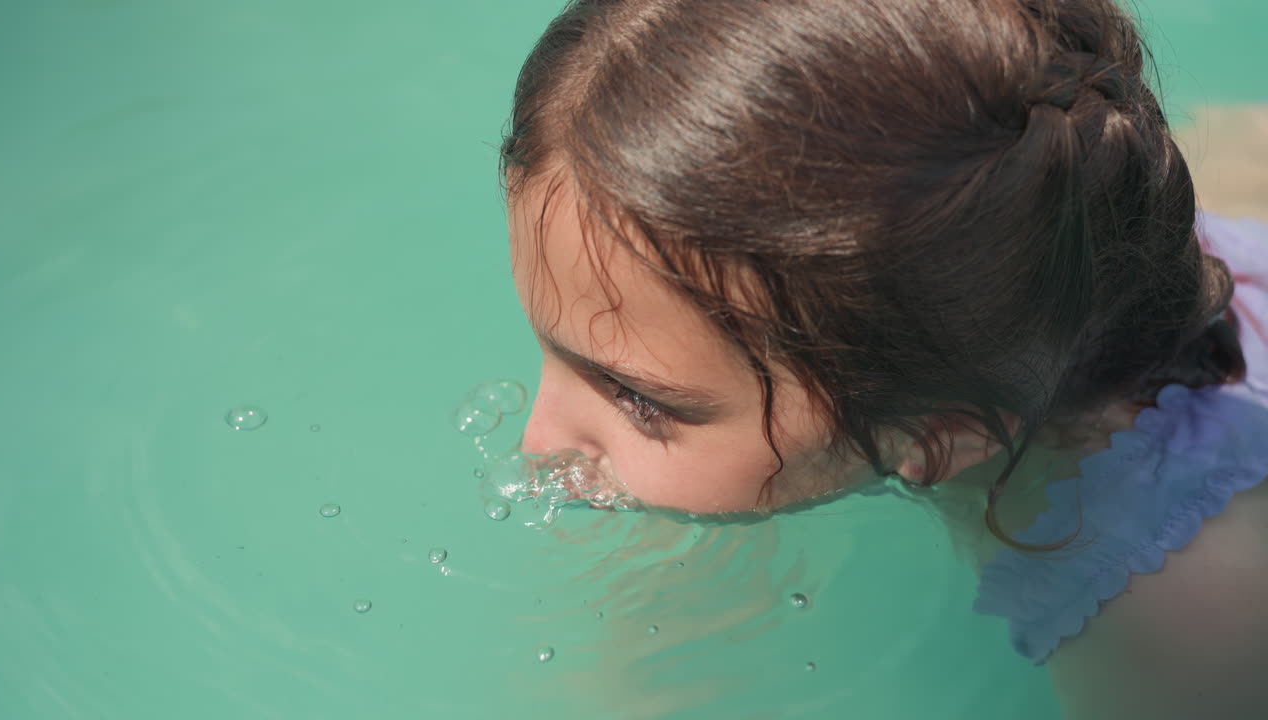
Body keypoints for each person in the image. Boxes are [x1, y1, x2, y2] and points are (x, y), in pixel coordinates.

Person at [497, 1, 1268, 717]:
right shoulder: (1067, 216)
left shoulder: (1173, 608)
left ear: (943, 436)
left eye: (641, 400)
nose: (538, 444)